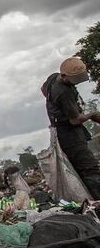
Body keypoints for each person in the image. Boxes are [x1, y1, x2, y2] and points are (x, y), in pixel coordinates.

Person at [42, 56, 100, 199]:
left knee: (83, 170)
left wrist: (55, 107)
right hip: (70, 135)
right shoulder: (63, 92)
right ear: (63, 75)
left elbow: (43, 89)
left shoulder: (52, 79)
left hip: (61, 131)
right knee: (89, 169)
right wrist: (92, 115)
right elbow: (75, 120)